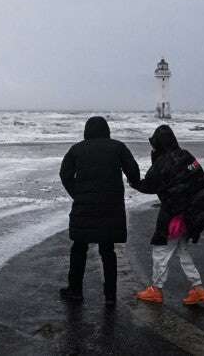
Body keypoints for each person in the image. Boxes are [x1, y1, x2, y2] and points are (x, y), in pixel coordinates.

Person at [59, 116, 140, 306]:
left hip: (83, 208)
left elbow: (64, 174)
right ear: (107, 130)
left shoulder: (77, 149)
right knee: (108, 251)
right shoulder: (118, 147)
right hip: (111, 207)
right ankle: (110, 296)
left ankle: (75, 291)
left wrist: (77, 194)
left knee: (79, 248)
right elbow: (134, 173)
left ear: (86, 131)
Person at [132, 124, 204, 305]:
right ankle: (198, 289)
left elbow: (149, 185)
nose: (152, 148)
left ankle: (156, 290)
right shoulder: (186, 155)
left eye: (154, 145)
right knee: (181, 250)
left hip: (178, 215)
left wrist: (133, 181)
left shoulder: (164, 163)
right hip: (200, 209)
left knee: (161, 250)